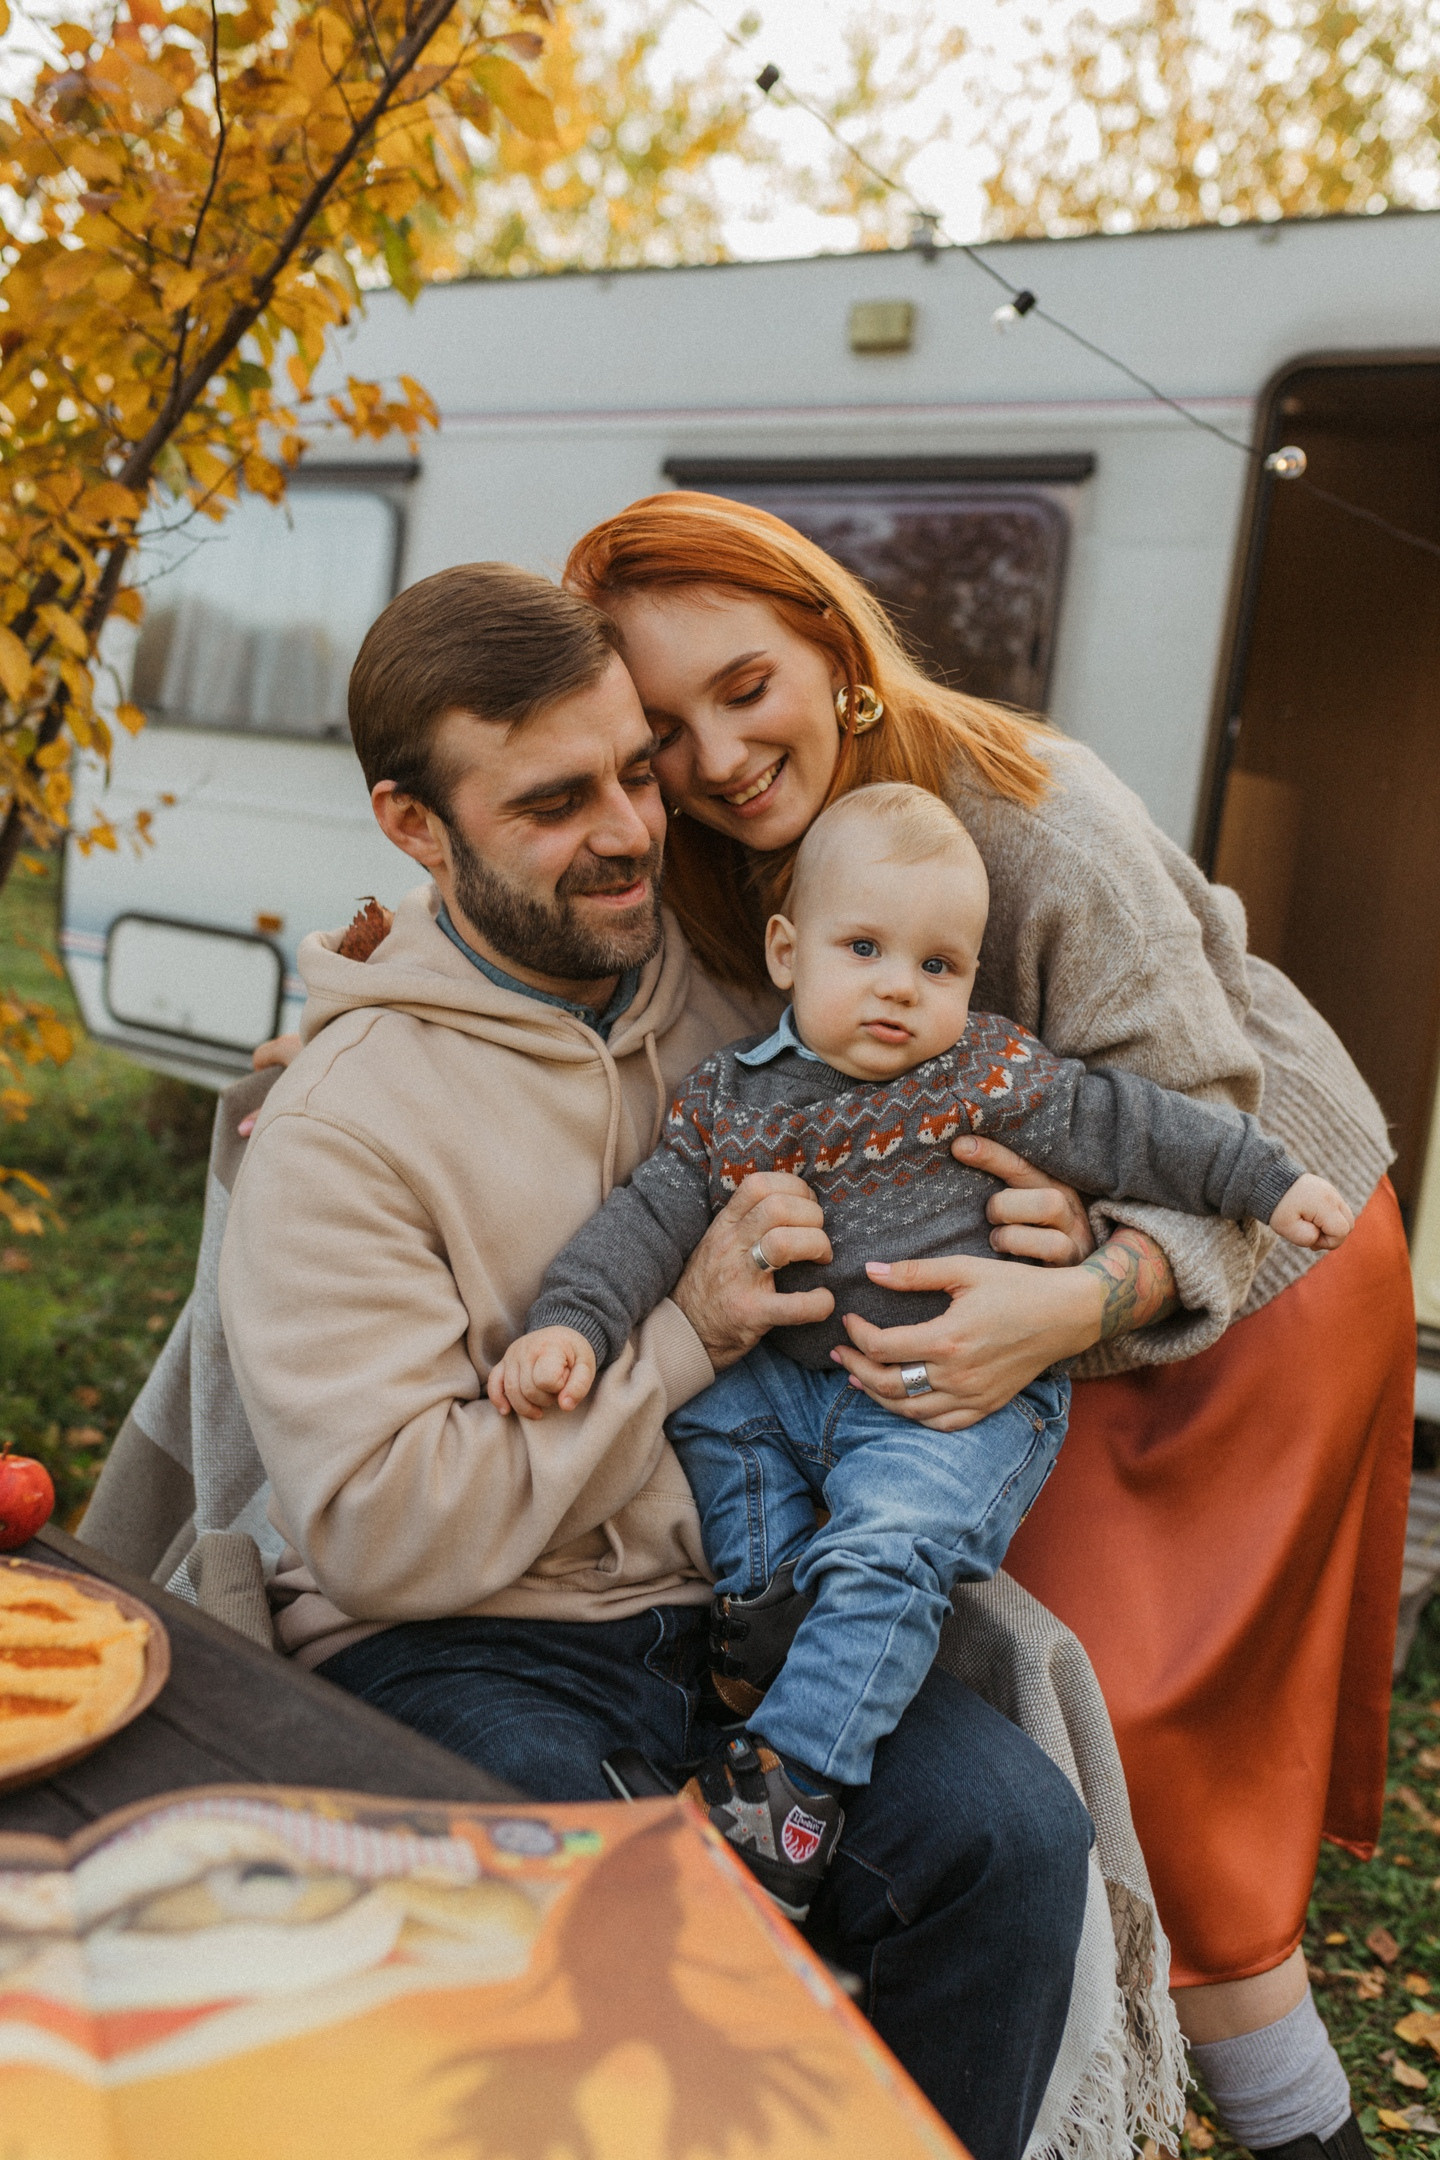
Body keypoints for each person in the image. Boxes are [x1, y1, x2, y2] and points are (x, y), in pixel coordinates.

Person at [560, 492, 1414, 2160]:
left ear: (830, 640)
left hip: (1261, 1267)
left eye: (748, 685)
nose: (723, 754)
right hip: (1018, 1267)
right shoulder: (752, 867)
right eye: (664, 730)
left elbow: (1206, 1136)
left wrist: (1086, 1288)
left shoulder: (1038, 825)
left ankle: (1238, 2111)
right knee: (1034, 1683)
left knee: (1129, 1726)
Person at [217, 562, 1092, 2160]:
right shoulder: (342, 1127)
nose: (630, 824)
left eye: (635, 770)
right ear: (416, 829)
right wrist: (686, 1333)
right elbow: (385, 1532)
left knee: (1012, 1836)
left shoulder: (754, 1008)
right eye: (555, 801)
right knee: (613, 1913)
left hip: (750, 1615)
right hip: (466, 1643)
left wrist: (1056, 1232)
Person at [495, 779, 1351, 1920]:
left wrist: (1269, 1178)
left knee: (890, 1546)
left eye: (939, 966)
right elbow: (646, 1222)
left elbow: (1133, 1126)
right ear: (790, 952)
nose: (902, 987)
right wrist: (570, 1324)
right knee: (707, 1408)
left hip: (947, 1407)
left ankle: (788, 1796)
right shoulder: (728, 1104)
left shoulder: (986, 1077)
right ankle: (768, 1612)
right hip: (795, 1389)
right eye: (867, 949)